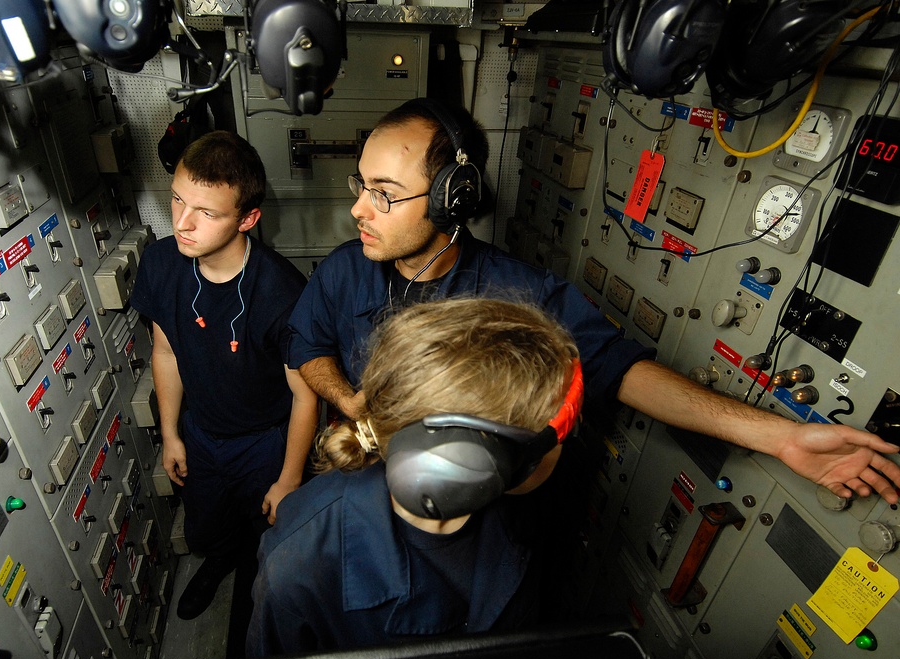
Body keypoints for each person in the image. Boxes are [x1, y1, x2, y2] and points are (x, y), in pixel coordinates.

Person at [287, 97, 900, 505]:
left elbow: (625, 372)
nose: (358, 209)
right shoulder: (345, 271)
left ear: (454, 197)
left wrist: (778, 438)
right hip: (357, 494)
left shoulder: (517, 295)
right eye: (360, 185)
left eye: (384, 193)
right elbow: (308, 347)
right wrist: (354, 401)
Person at [248, 298, 585, 656]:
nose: (568, 439)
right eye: (558, 429)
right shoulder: (296, 564)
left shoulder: (527, 505)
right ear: (466, 459)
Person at [130, 131, 318, 636]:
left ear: (247, 219)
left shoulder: (283, 291)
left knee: (271, 536)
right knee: (208, 527)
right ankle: (218, 565)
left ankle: (260, 589)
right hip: (201, 432)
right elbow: (166, 351)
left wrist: (290, 477)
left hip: (266, 442)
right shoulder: (161, 263)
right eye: (177, 200)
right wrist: (171, 433)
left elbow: (306, 394)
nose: (182, 223)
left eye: (206, 213)